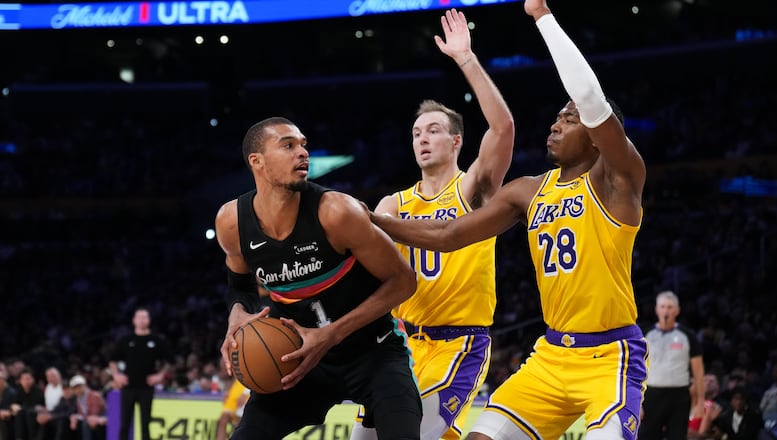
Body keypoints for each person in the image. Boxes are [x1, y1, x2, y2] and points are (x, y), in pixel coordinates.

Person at [369, 0, 648, 437]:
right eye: (557, 116)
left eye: (569, 119)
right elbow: (447, 235)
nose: (556, 124)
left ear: (596, 136)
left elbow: (592, 100)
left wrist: (543, 17)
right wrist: (374, 220)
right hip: (550, 355)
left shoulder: (619, 180)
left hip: (611, 354)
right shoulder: (527, 191)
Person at [351, 8, 515, 440]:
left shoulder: (472, 191)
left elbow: (503, 128)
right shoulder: (393, 204)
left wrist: (466, 59)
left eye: (433, 131)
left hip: (458, 344)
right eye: (416, 133)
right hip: (400, 345)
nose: (422, 138)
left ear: (457, 141)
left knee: (415, 433)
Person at [214, 116, 422, 439]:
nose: (302, 153)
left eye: (303, 144)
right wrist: (237, 312)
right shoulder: (232, 223)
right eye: (288, 145)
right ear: (256, 161)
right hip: (297, 362)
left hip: (372, 353)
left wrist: (331, 334)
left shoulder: (337, 212)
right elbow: (239, 285)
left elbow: (404, 281)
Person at [640, 290, 706, 440]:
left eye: (670, 307)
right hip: (651, 394)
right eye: (662, 306)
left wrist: (700, 401)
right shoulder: (646, 335)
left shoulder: (688, 336)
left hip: (679, 395)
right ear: (656, 309)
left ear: (677, 310)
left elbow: (698, 372)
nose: (666, 310)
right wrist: (636, 401)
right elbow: (635, 370)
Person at [108, 307, 173, 440]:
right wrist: (116, 375)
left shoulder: (156, 340)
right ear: (134, 320)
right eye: (139, 317)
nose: (142, 320)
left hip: (146, 387)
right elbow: (112, 360)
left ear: (149, 320)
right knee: (124, 424)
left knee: (145, 424)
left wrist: (160, 375)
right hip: (128, 387)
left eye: (145, 317)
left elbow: (169, 361)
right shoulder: (126, 340)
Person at [68, 375, 106, 440]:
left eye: (79, 387)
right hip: (89, 418)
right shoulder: (78, 398)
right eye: (75, 388)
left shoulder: (94, 395)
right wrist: (75, 417)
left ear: (85, 385)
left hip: (102, 417)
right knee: (74, 421)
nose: (77, 390)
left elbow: (94, 413)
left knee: (85, 423)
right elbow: (82, 413)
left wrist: (80, 417)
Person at [10, 368, 45, 440]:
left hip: (34, 415)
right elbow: (14, 405)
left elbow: (36, 407)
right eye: (24, 379)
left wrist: (21, 408)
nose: (26, 381)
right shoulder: (18, 391)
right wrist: (13, 407)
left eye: (28, 378)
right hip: (23, 415)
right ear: (20, 381)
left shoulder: (37, 391)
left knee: (28, 413)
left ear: (33, 380)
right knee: (19, 414)